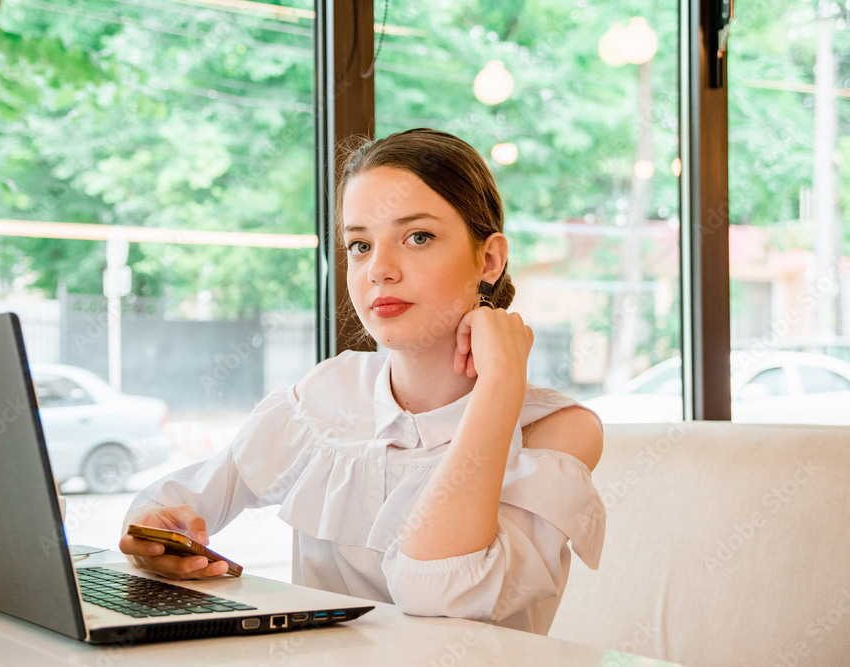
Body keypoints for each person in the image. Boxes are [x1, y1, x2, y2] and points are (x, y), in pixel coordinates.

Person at [119, 128, 605, 634]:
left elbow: (437, 588)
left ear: (489, 259)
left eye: (418, 237)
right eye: (359, 244)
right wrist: (157, 540)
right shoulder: (331, 392)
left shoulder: (557, 430)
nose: (380, 270)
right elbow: (170, 508)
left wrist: (502, 383)